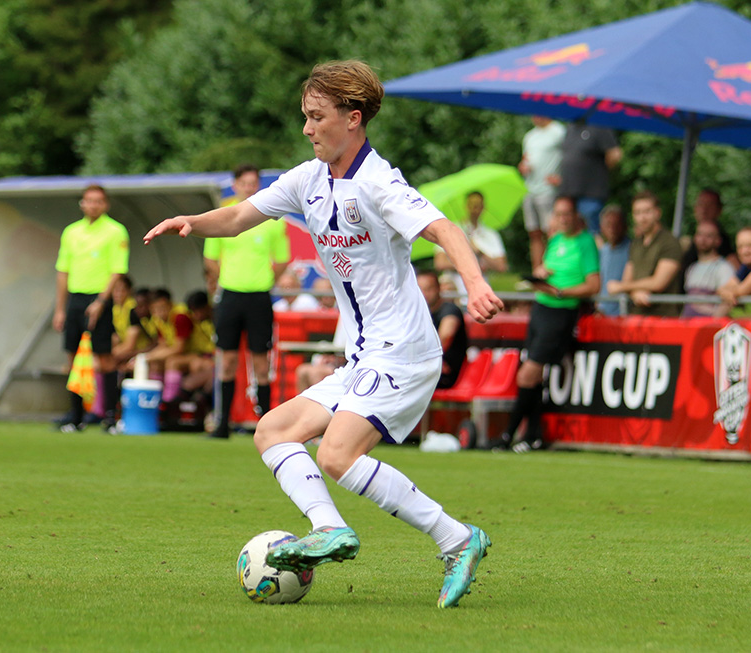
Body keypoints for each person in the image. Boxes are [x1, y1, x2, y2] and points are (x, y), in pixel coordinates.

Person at [143, 60, 504, 608]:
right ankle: (334, 528)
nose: (308, 128)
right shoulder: (308, 180)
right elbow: (242, 215)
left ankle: (456, 538)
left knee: (336, 454)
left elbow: (444, 229)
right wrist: (192, 221)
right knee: (273, 431)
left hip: (403, 351)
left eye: (317, 117)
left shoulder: (378, 182)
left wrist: (474, 283)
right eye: (304, 117)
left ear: (353, 118)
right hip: (363, 356)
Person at [492, 196, 600, 452]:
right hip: (541, 307)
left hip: (560, 310)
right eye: (558, 214)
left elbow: (593, 285)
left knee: (527, 373)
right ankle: (532, 435)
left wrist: (561, 292)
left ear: (575, 216)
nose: (562, 219)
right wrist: (541, 274)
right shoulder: (557, 240)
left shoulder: (586, 243)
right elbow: (549, 267)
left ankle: (508, 436)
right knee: (534, 376)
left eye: (567, 214)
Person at [203, 163, 291, 438]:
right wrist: (228, 278)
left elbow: (283, 259)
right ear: (235, 185)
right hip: (230, 294)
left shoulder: (272, 217)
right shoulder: (223, 213)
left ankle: (265, 425)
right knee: (226, 359)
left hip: (259, 295)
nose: (249, 188)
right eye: (244, 183)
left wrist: (265, 279)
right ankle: (222, 424)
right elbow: (210, 257)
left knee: (261, 361)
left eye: (254, 183)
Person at [52, 184, 129, 432]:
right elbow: (62, 271)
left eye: (98, 201)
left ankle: (110, 418)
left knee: (104, 359)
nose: (93, 205)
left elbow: (118, 269)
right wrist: (60, 309)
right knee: (73, 359)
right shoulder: (71, 232)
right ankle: (76, 416)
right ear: (82, 204)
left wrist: (100, 301)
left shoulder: (116, 231)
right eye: (88, 201)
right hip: (76, 298)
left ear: (105, 204)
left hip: (100, 300)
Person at [606, 191, 683, 317]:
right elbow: (627, 279)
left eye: (647, 211)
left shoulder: (670, 242)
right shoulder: (636, 243)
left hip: (663, 318)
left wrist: (621, 287)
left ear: (657, 213)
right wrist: (634, 292)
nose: (642, 217)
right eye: (638, 213)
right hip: (636, 316)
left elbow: (658, 282)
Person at [434, 191, 507, 303]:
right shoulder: (450, 230)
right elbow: (440, 263)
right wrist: (472, 264)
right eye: (471, 204)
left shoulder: (491, 235)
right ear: (466, 205)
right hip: (454, 294)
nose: (474, 208)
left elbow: (501, 266)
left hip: (481, 295)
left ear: (483, 207)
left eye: (478, 205)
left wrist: (479, 252)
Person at [554, 121, 622, 236]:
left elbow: (615, 154)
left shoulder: (600, 125)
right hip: (570, 196)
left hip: (591, 194)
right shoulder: (571, 126)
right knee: (572, 236)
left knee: (591, 234)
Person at [519, 116, 566, 269]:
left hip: (548, 191)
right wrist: (523, 167)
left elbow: (570, 156)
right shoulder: (529, 136)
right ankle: (537, 272)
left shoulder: (559, 131)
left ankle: (552, 268)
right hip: (529, 189)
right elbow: (525, 159)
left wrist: (562, 177)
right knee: (534, 233)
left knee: (551, 230)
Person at [417, 268, 468, 389]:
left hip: (447, 374)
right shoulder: (418, 314)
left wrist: (430, 360)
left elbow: (446, 335)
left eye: (429, 289)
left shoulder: (450, 310)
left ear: (439, 289)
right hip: (428, 370)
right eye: (420, 289)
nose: (424, 294)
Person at [679, 188, 736, 292]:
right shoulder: (692, 266)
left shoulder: (723, 241)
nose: (704, 209)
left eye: (710, 205)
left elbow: (734, 266)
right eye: (701, 204)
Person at [681, 221, 737, 318]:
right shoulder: (691, 268)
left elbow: (728, 301)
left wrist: (712, 324)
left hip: (709, 328)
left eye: (709, 236)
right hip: (689, 327)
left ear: (718, 241)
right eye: (700, 234)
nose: (703, 239)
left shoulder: (724, 267)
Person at [596, 205, 630, 316]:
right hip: (602, 314)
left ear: (625, 226)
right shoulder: (602, 251)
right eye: (608, 224)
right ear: (601, 227)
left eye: (616, 224)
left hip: (624, 314)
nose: (612, 229)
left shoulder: (632, 249)